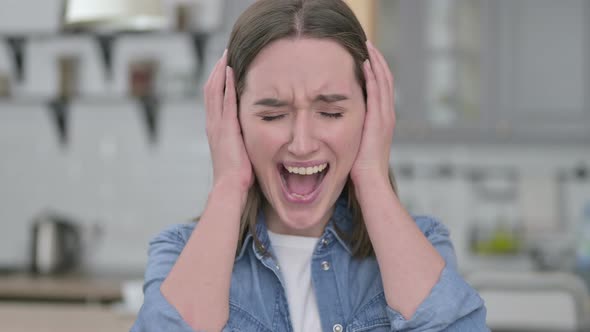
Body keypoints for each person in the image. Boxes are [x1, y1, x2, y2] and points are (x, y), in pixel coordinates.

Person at [131, 0, 488, 331]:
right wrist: (228, 183)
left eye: (331, 112)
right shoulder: (178, 252)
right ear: (233, 119)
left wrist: (371, 177)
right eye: (272, 115)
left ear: (370, 113)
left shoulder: (423, 244)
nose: (301, 144)